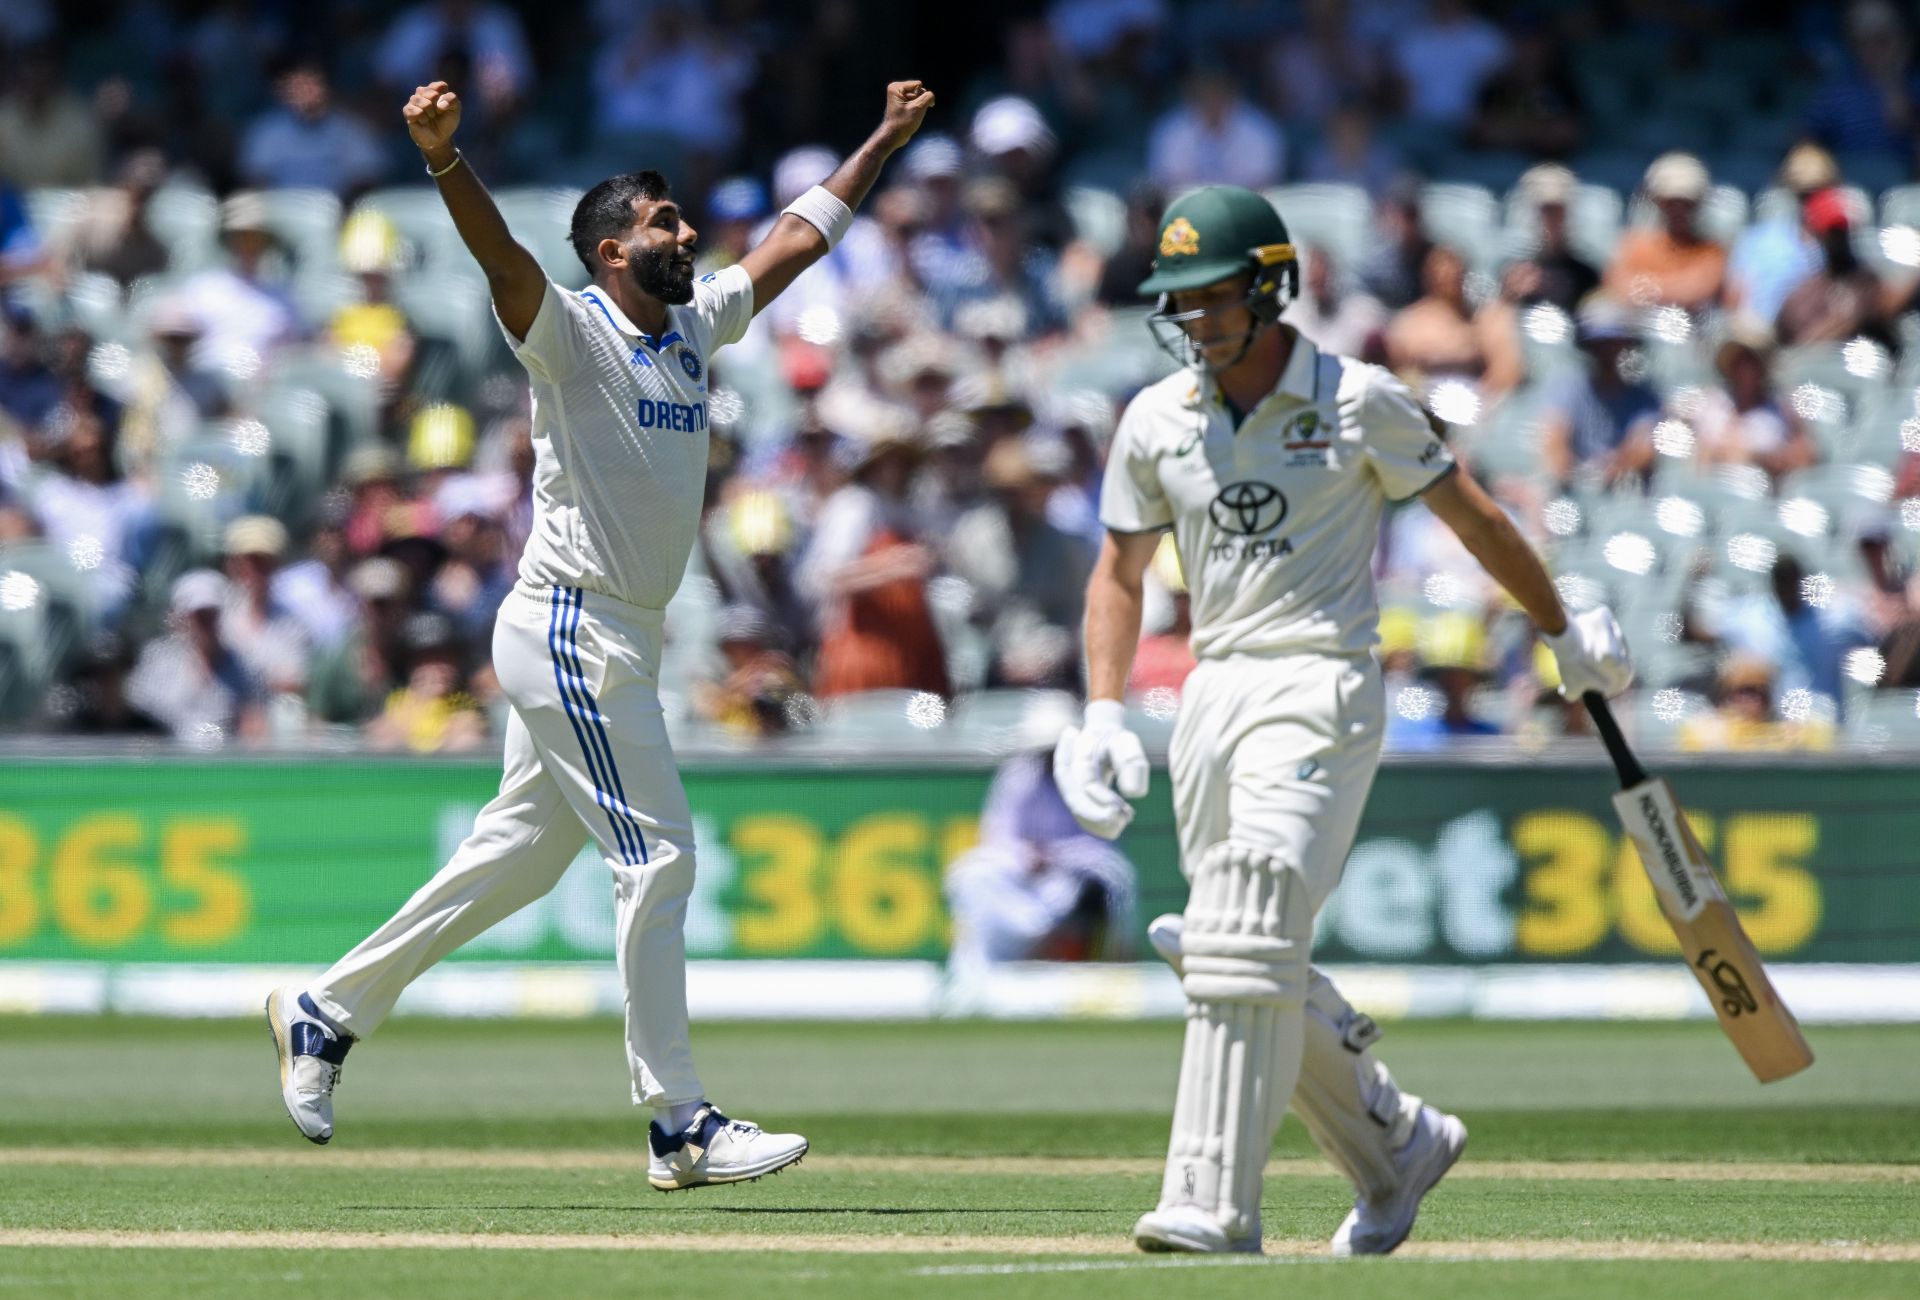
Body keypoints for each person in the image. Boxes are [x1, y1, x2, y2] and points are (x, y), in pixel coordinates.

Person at [265, 75, 936, 1194]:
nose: (687, 233)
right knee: (659, 852)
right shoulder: (569, 330)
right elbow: (504, 263)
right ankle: (678, 1121)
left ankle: (326, 1012)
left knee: (521, 853)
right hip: (571, 621)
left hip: (623, 630)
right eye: (664, 222)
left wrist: (885, 137)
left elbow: (794, 241)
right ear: (615, 250)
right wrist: (442, 159)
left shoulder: (693, 326)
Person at [1051, 185, 1632, 1256]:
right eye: (1177, 299)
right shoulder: (1154, 418)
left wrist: (1561, 625)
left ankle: (1213, 1204)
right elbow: (1119, 573)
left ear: (1272, 286)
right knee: (1239, 946)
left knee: (1244, 913)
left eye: (1214, 295)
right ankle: (1394, 1144)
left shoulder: (1359, 400)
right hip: (1213, 693)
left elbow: (1475, 517)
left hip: (1322, 680)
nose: (1194, 319)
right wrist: (1097, 709)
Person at [1604, 152, 1726, 313]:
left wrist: (1646, 288)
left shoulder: (1711, 251)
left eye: (1687, 203)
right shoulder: (1634, 244)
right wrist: (1673, 286)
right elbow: (1617, 286)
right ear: (1656, 201)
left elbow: (1697, 291)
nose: (1678, 210)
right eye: (1671, 203)